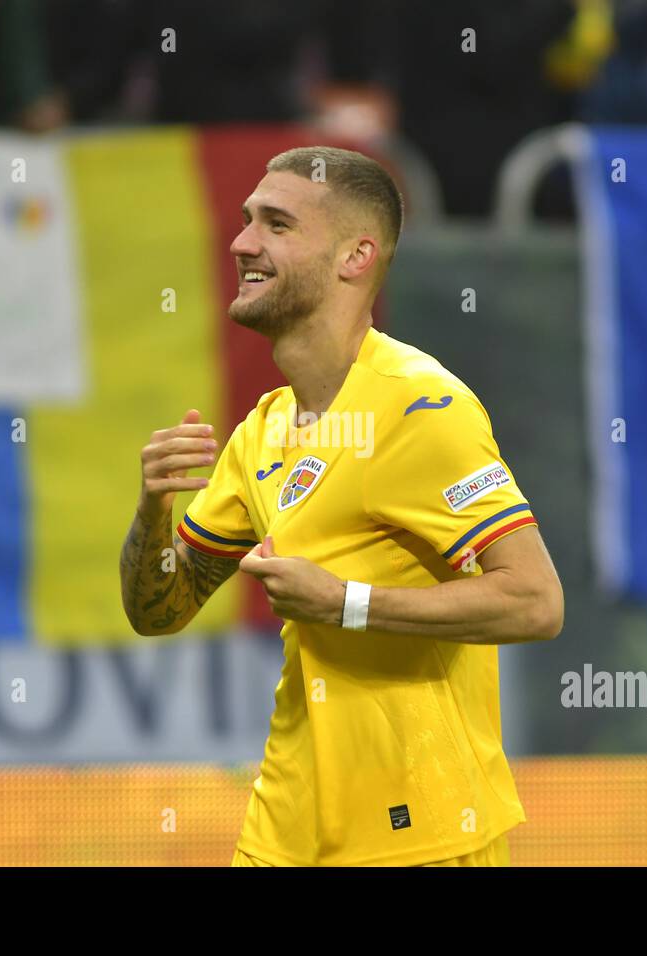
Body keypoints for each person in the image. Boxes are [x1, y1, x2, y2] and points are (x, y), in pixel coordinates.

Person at [119, 146, 564, 867]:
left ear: (355, 257)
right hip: (283, 834)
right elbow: (157, 611)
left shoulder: (422, 406)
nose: (242, 243)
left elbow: (536, 603)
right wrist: (152, 512)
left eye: (277, 225)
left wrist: (347, 603)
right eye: (244, 221)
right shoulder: (262, 430)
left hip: (420, 836)